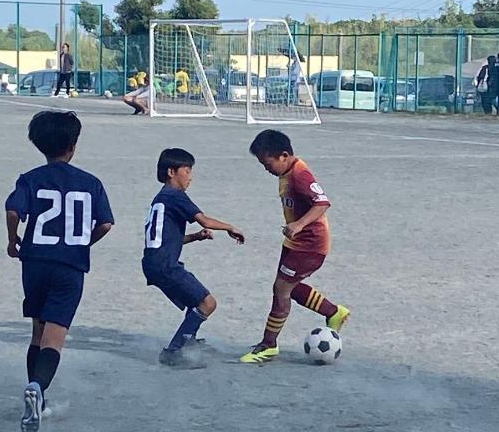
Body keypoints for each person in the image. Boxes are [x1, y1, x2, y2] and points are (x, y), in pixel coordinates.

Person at [5, 111, 114, 432]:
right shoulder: (90, 183)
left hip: (35, 262)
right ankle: (38, 388)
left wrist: (12, 239)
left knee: (37, 332)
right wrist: (83, 242)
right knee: (55, 337)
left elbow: (13, 209)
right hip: (70, 266)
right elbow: (106, 224)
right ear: (73, 145)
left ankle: (37, 393)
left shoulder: (30, 178)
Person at [240, 130, 349, 363]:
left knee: (281, 289)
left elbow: (322, 203)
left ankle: (269, 345)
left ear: (284, 155)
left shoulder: (300, 175)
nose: (266, 169)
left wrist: (299, 224)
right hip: (294, 243)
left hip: (310, 245)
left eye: (267, 163)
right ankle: (333, 312)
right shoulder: (287, 171)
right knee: (289, 287)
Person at [143, 148, 244, 367]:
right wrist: (230, 227)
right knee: (208, 303)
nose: (191, 177)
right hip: (165, 265)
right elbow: (204, 220)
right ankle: (174, 351)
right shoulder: (175, 196)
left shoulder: (161, 198)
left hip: (155, 262)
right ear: (171, 172)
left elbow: (166, 240)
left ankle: (188, 341)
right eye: (187, 170)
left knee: (194, 302)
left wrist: (196, 237)